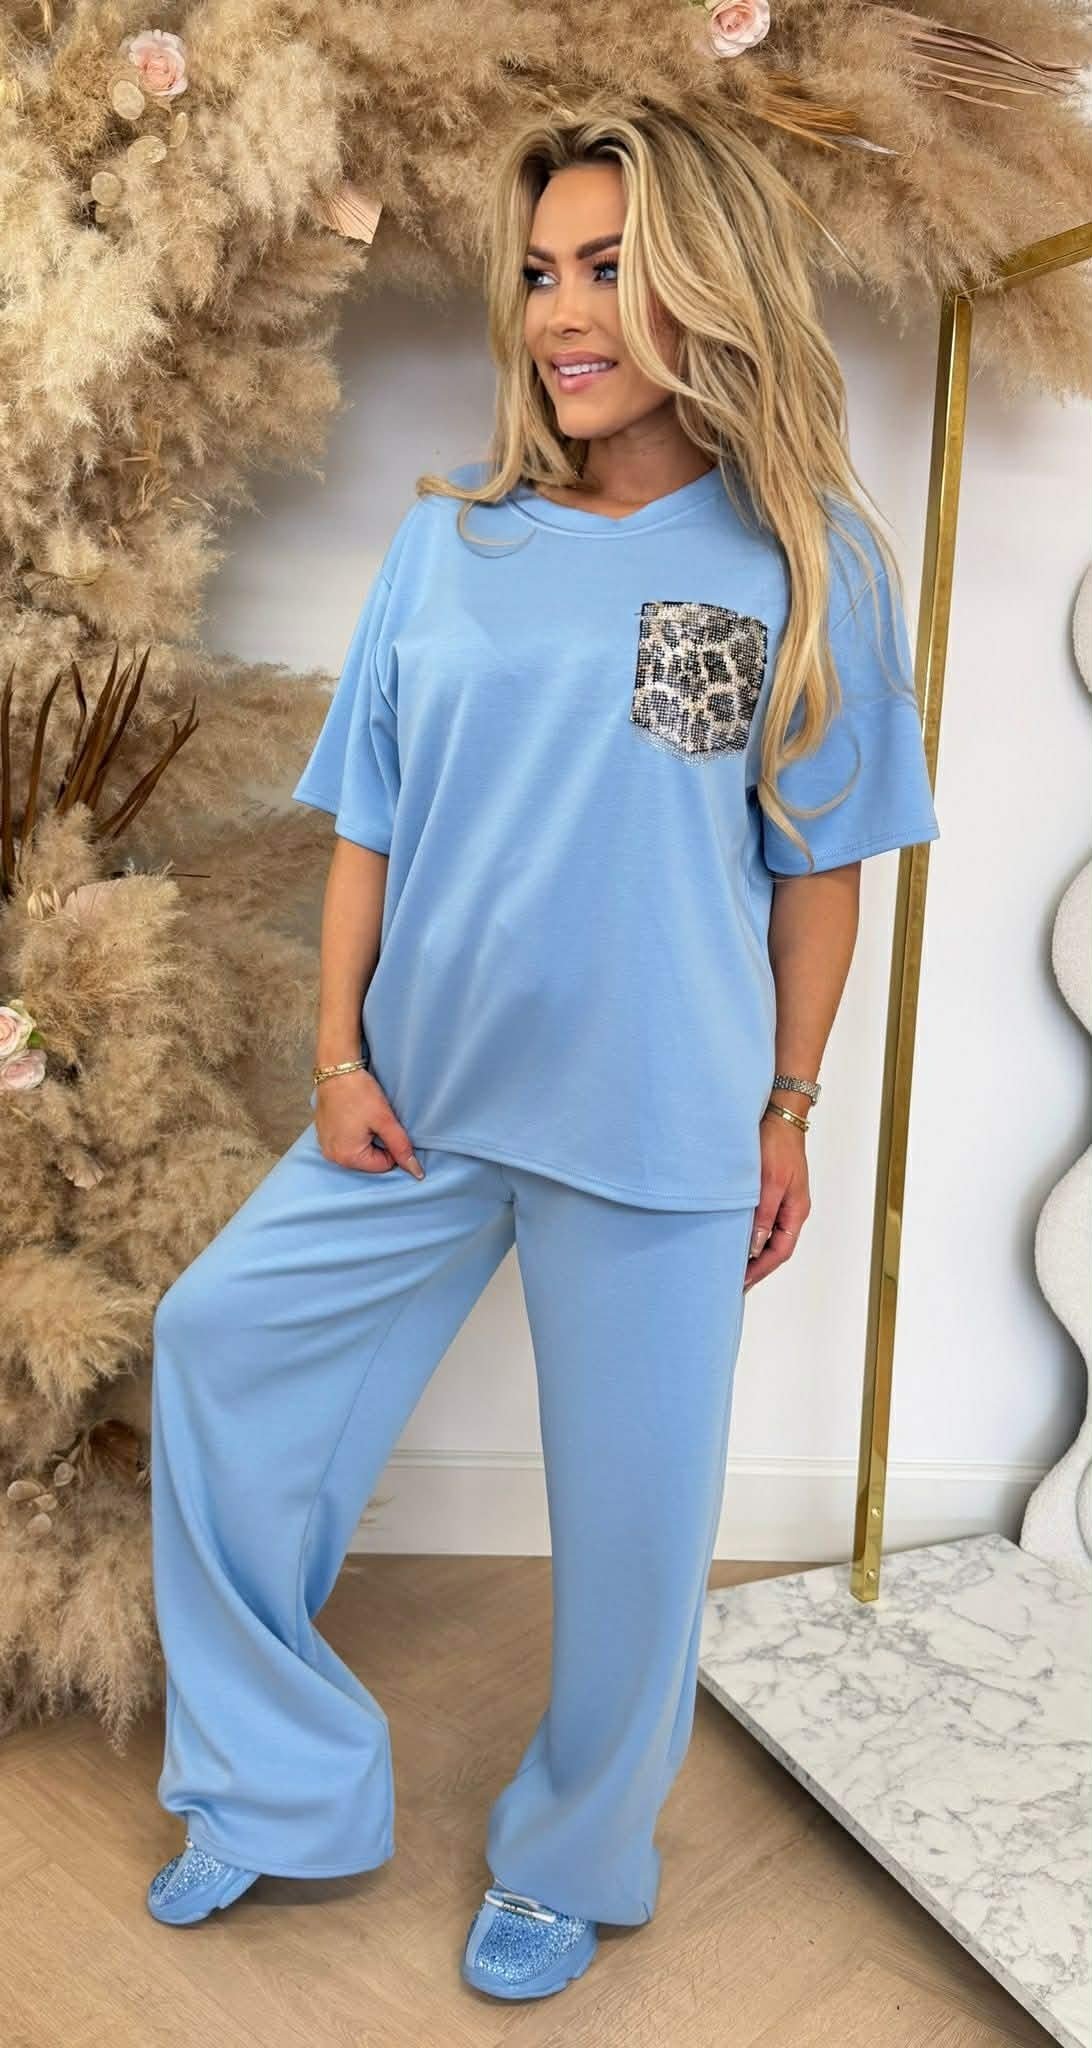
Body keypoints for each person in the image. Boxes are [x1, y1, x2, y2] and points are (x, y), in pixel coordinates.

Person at [145, 96, 939, 2002]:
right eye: (538, 274)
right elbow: (367, 824)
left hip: (660, 1120)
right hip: (422, 1096)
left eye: (607, 270)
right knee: (218, 1345)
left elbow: (818, 871)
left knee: (639, 1524)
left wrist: (789, 1105)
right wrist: (337, 1058)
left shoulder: (802, 559)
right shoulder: (454, 540)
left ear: (707, 285)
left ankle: (575, 1850)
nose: (562, 314)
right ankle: (273, 1782)